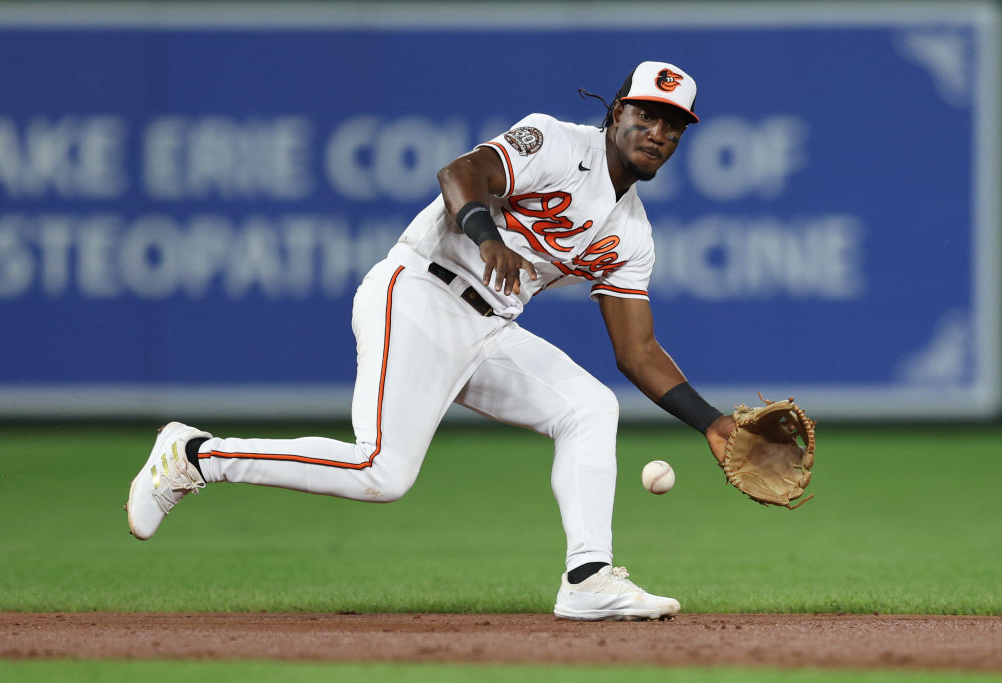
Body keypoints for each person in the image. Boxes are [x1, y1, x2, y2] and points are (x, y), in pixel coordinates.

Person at [126, 61, 736, 621]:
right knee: (382, 473)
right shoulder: (556, 141)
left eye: (672, 125)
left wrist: (711, 423)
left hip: (489, 326)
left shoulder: (632, 234)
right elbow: (461, 173)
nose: (657, 131)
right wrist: (486, 232)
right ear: (615, 116)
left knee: (590, 407)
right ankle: (196, 457)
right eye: (645, 115)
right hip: (419, 292)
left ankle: (588, 577)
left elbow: (637, 352)